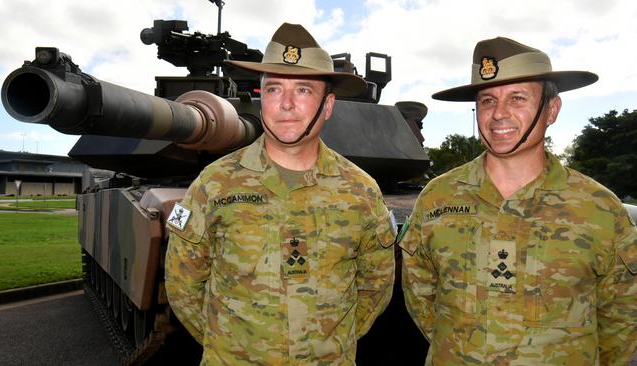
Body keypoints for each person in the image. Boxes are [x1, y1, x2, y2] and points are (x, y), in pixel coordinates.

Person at [164, 22, 396, 365]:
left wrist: (325, 344)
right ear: (261, 98)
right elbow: (183, 287)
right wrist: (235, 347)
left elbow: (376, 286)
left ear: (328, 106)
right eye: (273, 90)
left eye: (303, 90)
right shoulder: (213, 185)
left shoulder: (361, 191)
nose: (286, 104)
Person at [399, 36, 637, 365]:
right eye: (486, 100)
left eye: (518, 98)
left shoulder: (600, 209)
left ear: (551, 109)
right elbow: (422, 298)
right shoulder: (437, 199)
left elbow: (622, 320)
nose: (499, 114)